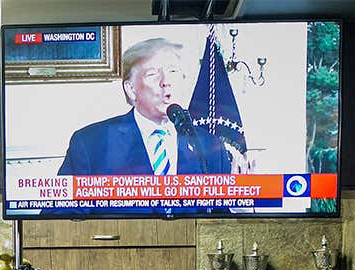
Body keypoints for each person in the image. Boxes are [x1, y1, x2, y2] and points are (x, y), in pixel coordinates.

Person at [57, 37, 231, 177]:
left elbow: (220, 214)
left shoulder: (210, 146)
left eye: (173, 72)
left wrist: (242, 207)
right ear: (131, 90)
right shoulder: (90, 144)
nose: (166, 82)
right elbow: (60, 214)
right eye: (153, 74)